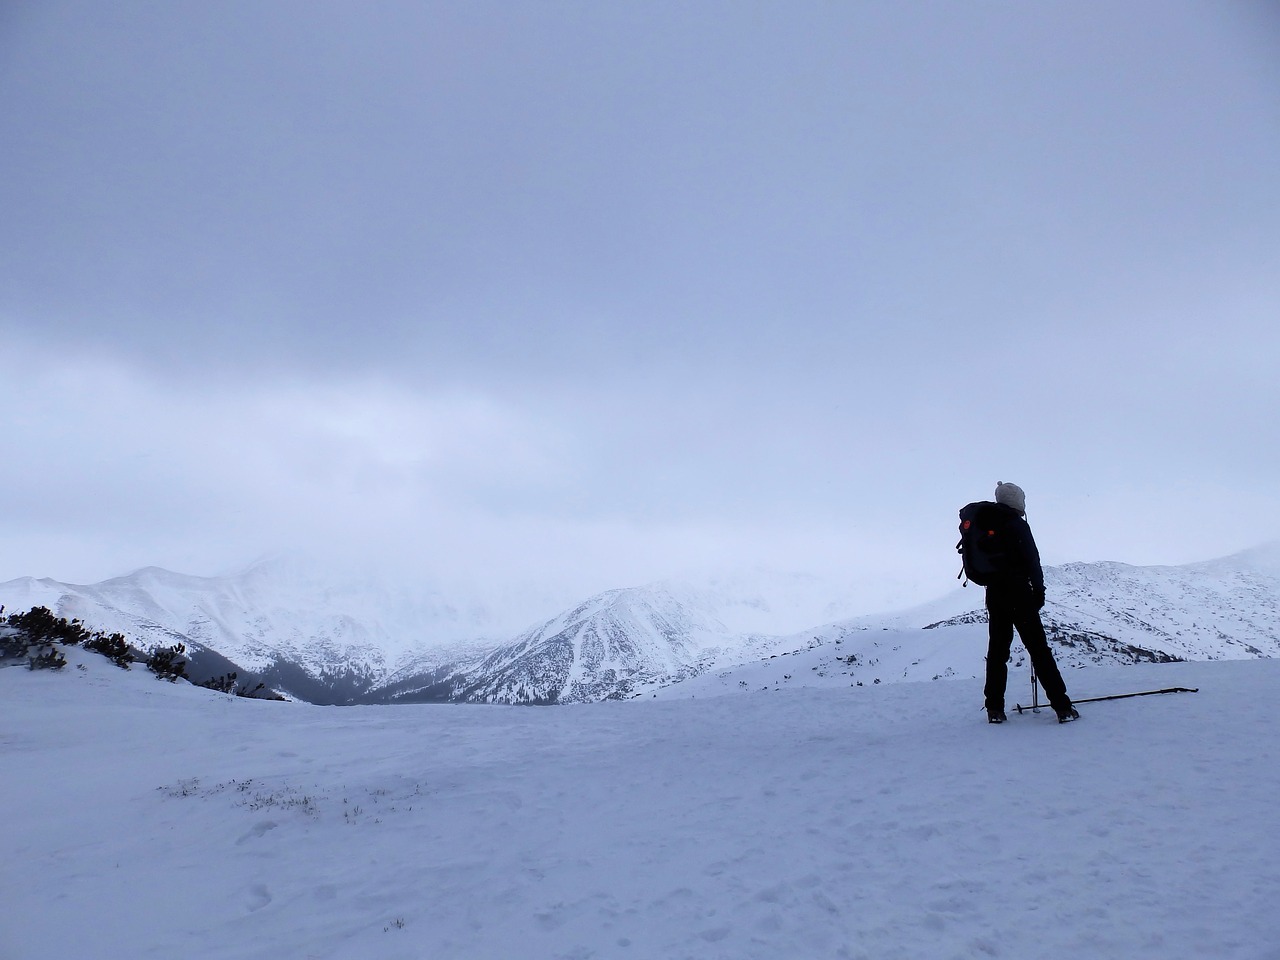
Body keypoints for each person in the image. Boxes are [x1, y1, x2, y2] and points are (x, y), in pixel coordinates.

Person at [983, 481, 1078, 724]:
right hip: (1019, 593)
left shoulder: (986, 523)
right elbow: (1032, 560)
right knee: (1038, 650)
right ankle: (1062, 707)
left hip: (994, 594)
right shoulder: (1017, 525)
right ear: (1018, 501)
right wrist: (1039, 590)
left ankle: (994, 709)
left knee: (997, 652)